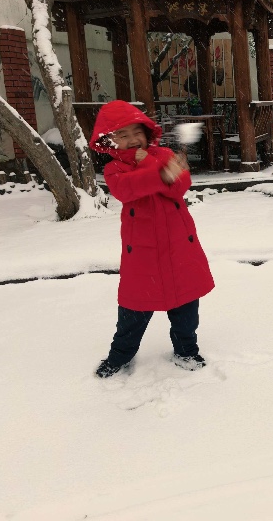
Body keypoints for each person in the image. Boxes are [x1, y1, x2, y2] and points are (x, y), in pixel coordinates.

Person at [88, 100, 215, 378]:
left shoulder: (164, 154)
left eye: (137, 132)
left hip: (178, 247)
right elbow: (128, 190)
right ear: (110, 141)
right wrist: (157, 171)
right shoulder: (115, 169)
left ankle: (186, 351)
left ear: (146, 133)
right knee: (133, 311)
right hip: (142, 254)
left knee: (186, 308)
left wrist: (161, 166)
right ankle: (120, 356)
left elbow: (178, 187)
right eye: (122, 134)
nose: (132, 139)